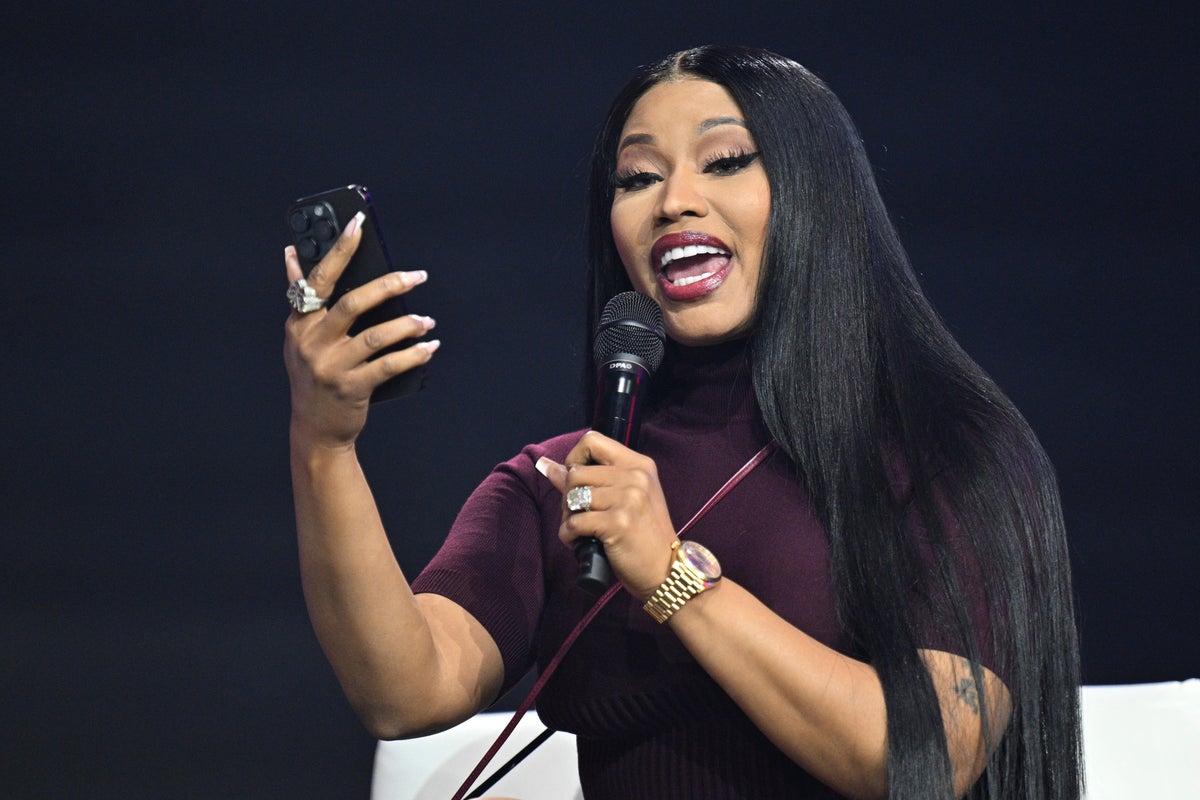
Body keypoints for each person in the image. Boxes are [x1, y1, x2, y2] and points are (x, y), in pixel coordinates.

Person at [283, 46, 1081, 799]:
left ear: (817, 195)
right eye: (637, 178)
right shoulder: (567, 484)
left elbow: (928, 757)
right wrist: (324, 443)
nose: (674, 201)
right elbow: (405, 692)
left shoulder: (944, 449)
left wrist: (671, 576)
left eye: (726, 161)